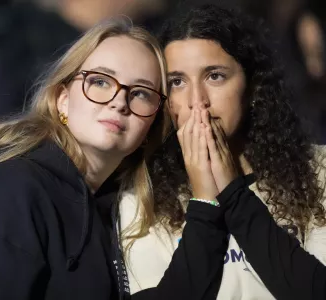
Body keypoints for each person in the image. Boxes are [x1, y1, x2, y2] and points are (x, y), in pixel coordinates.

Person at [0, 18, 232, 300]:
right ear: (62, 98)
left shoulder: (109, 210)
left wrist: (206, 200)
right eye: (100, 81)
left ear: (152, 124)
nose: (119, 101)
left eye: (141, 93)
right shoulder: (8, 189)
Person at [119, 5, 326, 299]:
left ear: (252, 86)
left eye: (214, 76)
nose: (196, 101)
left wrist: (232, 191)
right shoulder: (141, 197)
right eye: (177, 82)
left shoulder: (318, 171)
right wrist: (205, 199)